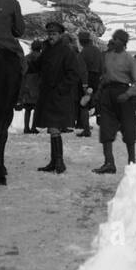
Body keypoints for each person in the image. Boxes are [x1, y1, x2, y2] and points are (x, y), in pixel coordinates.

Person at [29, 21, 84, 173]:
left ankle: (59, 162)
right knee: (52, 128)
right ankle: (55, 162)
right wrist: (28, 62)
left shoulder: (67, 52)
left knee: (54, 128)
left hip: (59, 96)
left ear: (60, 35)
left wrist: (61, 89)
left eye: (54, 34)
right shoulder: (47, 50)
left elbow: (74, 73)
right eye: (49, 34)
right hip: (48, 95)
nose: (51, 36)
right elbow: (37, 66)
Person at [91, 29, 136, 173]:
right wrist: (99, 93)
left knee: (128, 128)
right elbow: (104, 77)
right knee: (106, 128)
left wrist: (128, 94)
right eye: (114, 38)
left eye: (118, 39)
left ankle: (132, 162)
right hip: (108, 95)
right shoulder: (107, 57)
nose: (115, 41)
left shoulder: (129, 59)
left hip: (123, 96)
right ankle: (109, 163)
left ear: (124, 42)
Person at [76, 30, 104, 138]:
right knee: (97, 103)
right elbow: (102, 67)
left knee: (84, 105)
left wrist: (84, 84)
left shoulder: (83, 53)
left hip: (87, 79)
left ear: (82, 41)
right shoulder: (97, 51)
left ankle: (86, 130)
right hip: (97, 79)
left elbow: (82, 70)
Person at [19, 40, 44, 133]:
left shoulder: (26, 58)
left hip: (27, 82)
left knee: (28, 108)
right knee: (36, 108)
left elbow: (22, 71)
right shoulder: (42, 58)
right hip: (37, 82)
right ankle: (33, 127)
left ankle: (26, 127)